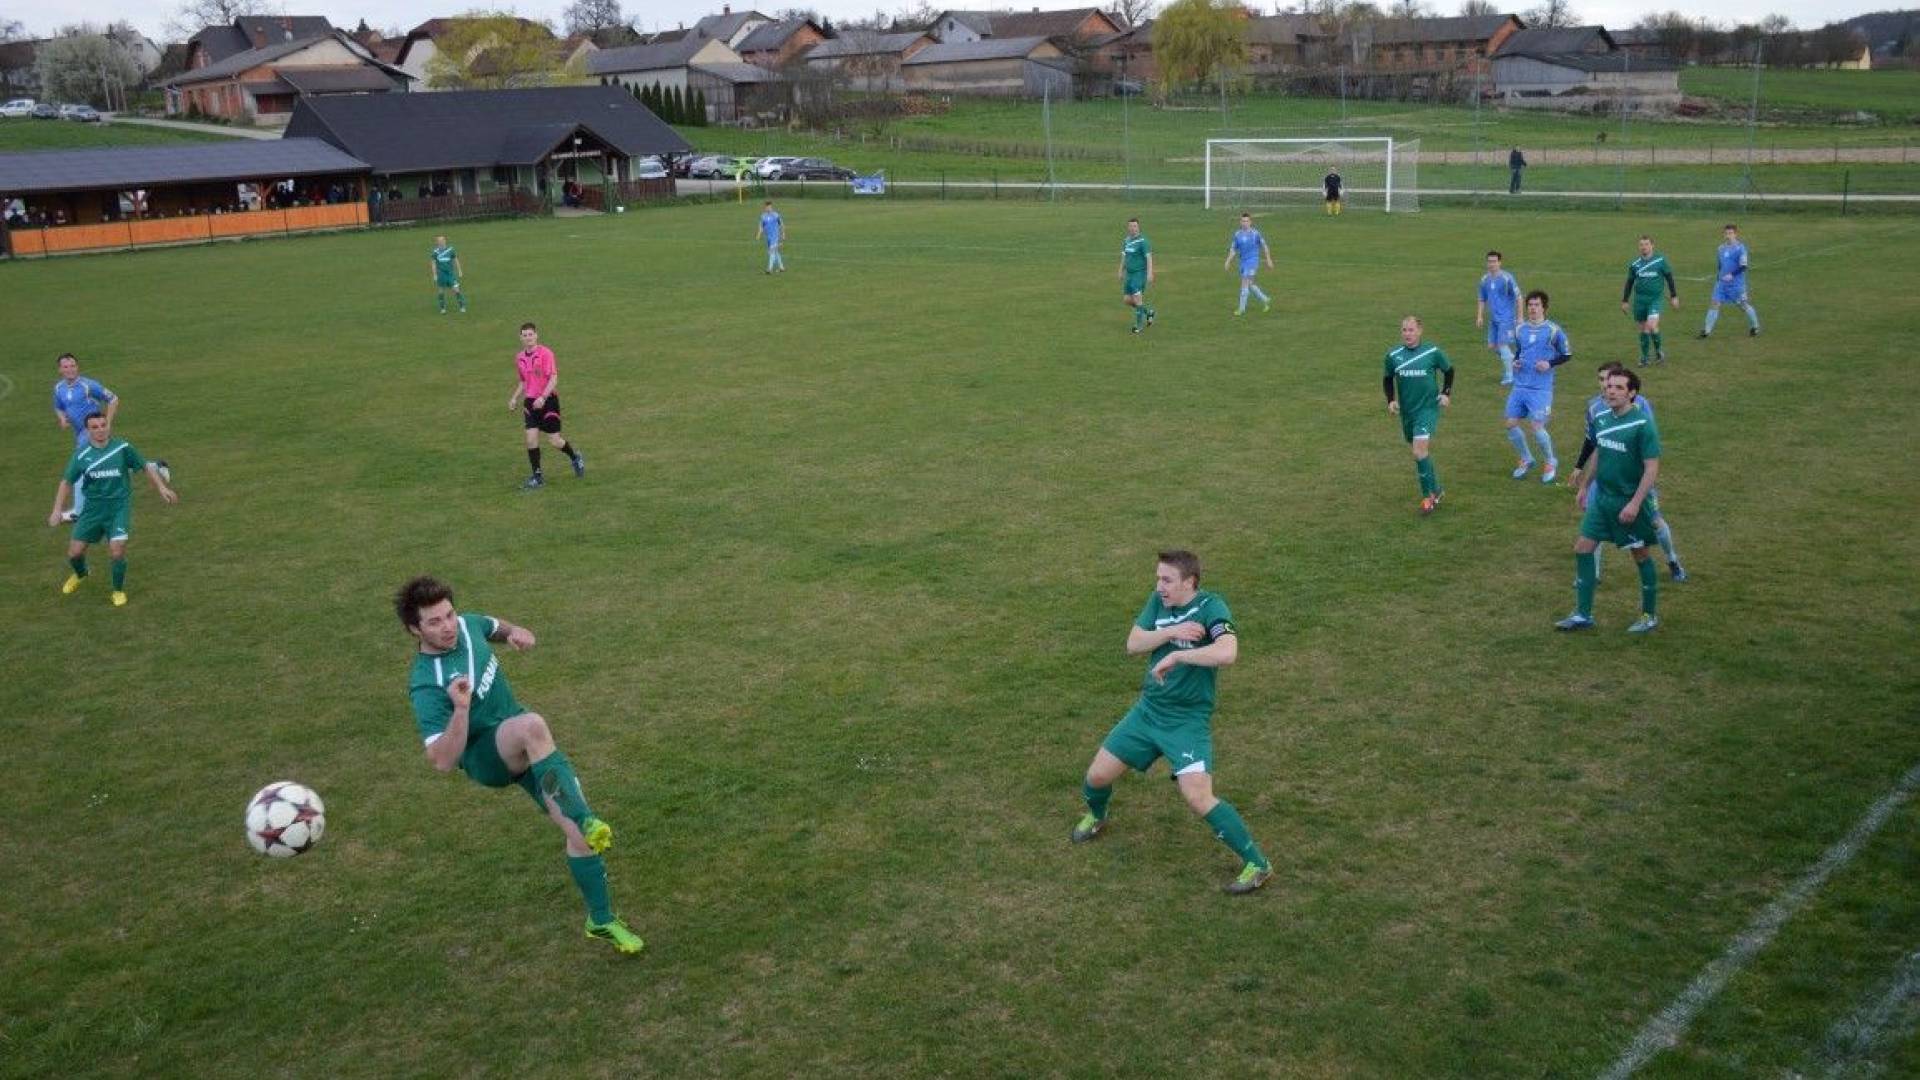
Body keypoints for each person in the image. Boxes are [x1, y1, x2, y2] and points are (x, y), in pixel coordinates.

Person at [395, 576, 644, 954]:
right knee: (533, 727)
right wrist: (460, 710)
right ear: (415, 629)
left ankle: (601, 920)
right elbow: (443, 761)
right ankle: (583, 817)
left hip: (530, 755)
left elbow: (494, 627)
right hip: (487, 757)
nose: (447, 626)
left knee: (581, 838)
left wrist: (516, 632)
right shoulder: (426, 683)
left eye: (449, 615)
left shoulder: (467, 625)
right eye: (434, 622)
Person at [1070, 550, 1272, 896]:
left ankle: (1258, 864)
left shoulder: (1211, 607)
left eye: (1166, 580)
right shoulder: (1159, 603)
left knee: (1198, 796)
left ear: (1189, 582)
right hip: (1148, 712)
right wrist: (1172, 633)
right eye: (1157, 578)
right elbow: (1133, 644)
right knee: (1097, 777)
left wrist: (1180, 655)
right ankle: (1098, 816)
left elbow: (1227, 652)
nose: (1159, 586)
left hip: (1186, 722)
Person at [1558, 368, 1662, 634]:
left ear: (1632, 393)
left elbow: (1651, 468)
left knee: (1640, 554)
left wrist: (1635, 503)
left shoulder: (1642, 424)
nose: (1610, 391)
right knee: (1583, 548)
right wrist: (1585, 486)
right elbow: (1599, 453)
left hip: (1628, 501)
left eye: (1618, 387)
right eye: (1608, 386)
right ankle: (1583, 614)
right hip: (1602, 500)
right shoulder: (1601, 418)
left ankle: (1649, 615)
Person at [48, 412, 177, 607]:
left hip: (118, 507)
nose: (101, 430)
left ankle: (118, 591)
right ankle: (82, 574)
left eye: (103, 425)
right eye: (95, 427)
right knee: (74, 553)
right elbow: (66, 482)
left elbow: (145, 467)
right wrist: (57, 510)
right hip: (92, 510)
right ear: (88, 431)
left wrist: (162, 488)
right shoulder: (81, 455)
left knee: (117, 551)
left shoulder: (122, 448)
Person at [1573, 362, 1686, 582]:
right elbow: (1593, 442)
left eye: (1612, 383)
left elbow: (1646, 444)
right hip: (1604, 481)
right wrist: (1581, 471)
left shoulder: (1640, 406)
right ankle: (1592, 575)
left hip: (1633, 480)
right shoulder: (1594, 407)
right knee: (1593, 524)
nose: (1606, 387)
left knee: (1655, 523)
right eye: (1603, 381)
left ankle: (1672, 560)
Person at [1383, 315, 1454, 515]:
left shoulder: (1432, 352)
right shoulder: (1393, 355)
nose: (1407, 334)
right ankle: (1437, 490)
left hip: (1427, 410)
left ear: (1420, 331)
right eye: (1404, 330)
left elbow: (1449, 370)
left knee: (1418, 451)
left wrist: (1445, 393)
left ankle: (1427, 498)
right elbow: (1387, 379)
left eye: (1411, 330)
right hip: (1408, 412)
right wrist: (1391, 400)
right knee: (1420, 453)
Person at [1505, 290, 1572, 484]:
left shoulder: (1553, 330)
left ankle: (1550, 462)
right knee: (1510, 424)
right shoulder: (1520, 329)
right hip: (1520, 386)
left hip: (1541, 388)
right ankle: (1526, 458)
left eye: (1537, 305)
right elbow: (1520, 351)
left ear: (1544, 308)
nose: (1533, 309)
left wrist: (1549, 364)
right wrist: (1516, 362)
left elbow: (1567, 354)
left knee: (1536, 426)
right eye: (1530, 305)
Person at [510, 322, 585, 491]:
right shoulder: (519, 357)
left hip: (548, 400)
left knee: (554, 441)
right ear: (520, 337)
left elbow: (553, 378)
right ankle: (537, 477)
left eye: (530, 334)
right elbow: (523, 381)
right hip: (530, 402)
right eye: (525, 335)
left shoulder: (546, 353)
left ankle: (575, 457)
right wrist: (514, 398)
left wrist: (543, 397)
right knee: (530, 439)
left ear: (536, 335)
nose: (528, 338)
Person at [51, 353, 119, 523]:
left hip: (91, 432)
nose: (70, 369)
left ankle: (79, 511)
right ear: (60, 370)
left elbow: (113, 399)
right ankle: (155, 467)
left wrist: (106, 424)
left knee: (80, 469)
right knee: (111, 464)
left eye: (73, 366)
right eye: (66, 366)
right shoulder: (59, 388)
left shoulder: (88, 385)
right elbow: (58, 406)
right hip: (79, 433)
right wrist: (62, 418)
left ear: (77, 367)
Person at [1622, 235, 1679, 367]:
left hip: (1655, 299)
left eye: (1646, 244)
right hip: (1640, 300)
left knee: (1651, 326)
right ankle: (1646, 357)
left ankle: (1657, 352)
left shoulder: (1660, 260)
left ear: (1652, 245)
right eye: (1641, 245)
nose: (1644, 247)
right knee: (1643, 329)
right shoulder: (1635, 264)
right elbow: (1629, 282)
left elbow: (1669, 277)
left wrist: (1674, 296)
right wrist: (1625, 301)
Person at [1700, 223, 1759, 339]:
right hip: (1721, 284)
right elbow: (1720, 265)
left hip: (1736, 285)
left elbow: (1743, 266)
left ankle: (1755, 326)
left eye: (1730, 233)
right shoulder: (1720, 248)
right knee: (1714, 303)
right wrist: (1719, 278)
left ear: (1736, 234)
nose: (1728, 236)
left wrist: (1732, 275)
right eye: (1726, 233)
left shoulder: (1741, 248)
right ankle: (1706, 331)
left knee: (1743, 305)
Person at [1475, 250, 1523, 385]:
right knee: (1493, 346)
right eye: (1489, 261)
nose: (1491, 264)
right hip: (1494, 318)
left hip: (1506, 318)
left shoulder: (1507, 278)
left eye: (1494, 261)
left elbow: (1519, 297)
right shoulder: (1484, 280)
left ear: (1499, 262)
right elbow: (1482, 299)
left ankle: (1510, 376)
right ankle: (1513, 362)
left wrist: (1520, 317)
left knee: (1502, 345)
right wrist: (1479, 316)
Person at [1223, 212, 1274, 316]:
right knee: (1250, 284)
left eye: (1246, 221)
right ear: (1240, 222)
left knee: (1244, 282)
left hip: (1252, 261)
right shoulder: (1237, 235)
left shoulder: (1255, 234)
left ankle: (1241, 309)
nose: (1244, 223)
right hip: (1243, 262)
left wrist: (1268, 259)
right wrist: (1228, 261)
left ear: (1250, 222)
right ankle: (1265, 299)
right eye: (1243, 221)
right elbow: (1233, 250)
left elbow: (1264, 246)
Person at [1118, 216, 1155, 334]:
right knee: (1127, 300)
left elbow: (1148, 257)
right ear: (1128, 227)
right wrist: (1120, 270)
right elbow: (1124, 257)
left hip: (1139, 274)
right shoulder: (1126, 241)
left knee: (1137, 299)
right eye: (1130, 226)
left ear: (1138, 227)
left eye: (1135, 226)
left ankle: (1138, 326)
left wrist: (1150, 273)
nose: (1132, 228)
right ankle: (1148, 313)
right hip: (1129, 275)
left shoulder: (1143, 241)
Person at [430, 235, 467, 315]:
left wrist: (459, 270)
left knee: (456, 290)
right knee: (441, 292)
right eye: (439, 241)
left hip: (450, 274)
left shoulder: (450, 250)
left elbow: (456, 260)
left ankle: (462, 306)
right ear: (437, 242)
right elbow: (433, 264)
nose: (441, 242)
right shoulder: (435, 252)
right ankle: (442, 308)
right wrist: (435, 275)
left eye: (442, 241)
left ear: (445, 241)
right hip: (441, 275)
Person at [756, 200, 785, 274]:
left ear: (771, 207)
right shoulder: (763, 216)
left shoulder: (776, 215)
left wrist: (783, 234)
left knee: (771, 251)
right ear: (765, 207)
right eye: (766, 207)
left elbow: (781, 224)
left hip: (775, 236)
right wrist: (759, 234)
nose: (768, 208)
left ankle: (769, 269)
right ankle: (781, 267)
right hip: (768, 237)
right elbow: (761, 226)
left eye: (769, 207)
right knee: (775, 252)